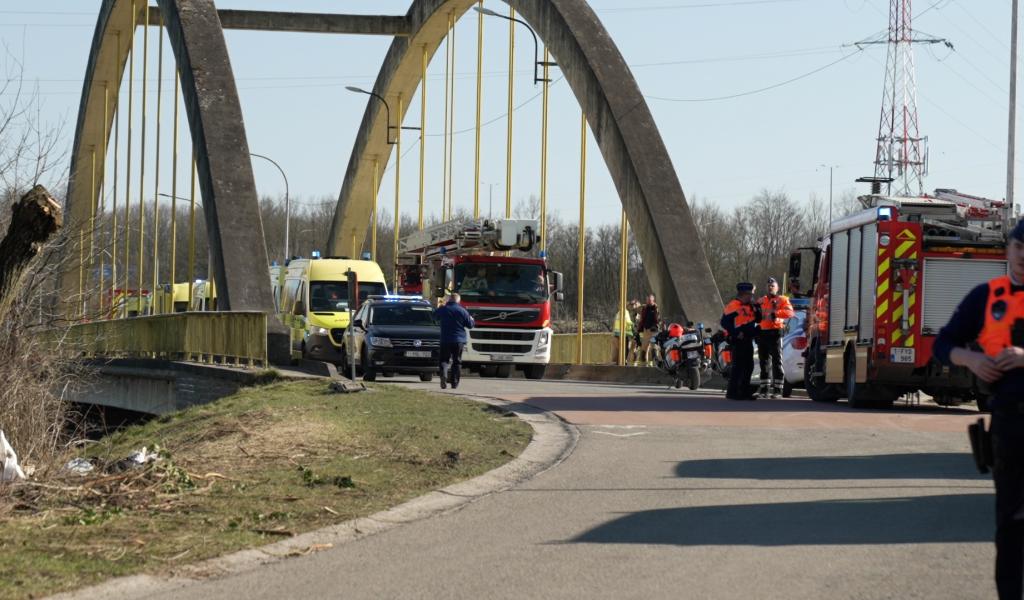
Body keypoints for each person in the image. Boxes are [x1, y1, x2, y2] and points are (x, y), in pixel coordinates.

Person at [933, 220, 1024, 599]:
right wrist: (969, 360)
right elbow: (944, 342)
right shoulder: (987, 297)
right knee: (1011, 524)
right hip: (1010, 425)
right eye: (1019, 247)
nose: (1023, 257)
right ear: (1008, 248)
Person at [756, 276, 795, 398]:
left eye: (772, 286)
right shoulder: (760, 301)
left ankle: (778, 390)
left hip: (775, 332)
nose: (770, 288)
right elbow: (754, 313)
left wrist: (776, 313)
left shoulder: (782, 299)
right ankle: (764, 389)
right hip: (762, 333)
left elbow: (790, 312)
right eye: (768, 286)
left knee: (777, 361)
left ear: (777, 288)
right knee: (764, 362)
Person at [721, 282, 759, 400]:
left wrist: (757, 309)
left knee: (748, 366)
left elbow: (756, 319)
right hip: (739, 340)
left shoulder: (748, 306)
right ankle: (733, 392)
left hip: (748, 339)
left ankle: (744, 391)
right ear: (744, 294)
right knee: (738, 367)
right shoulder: (734, 305)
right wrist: (736, 333)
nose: (752, 297)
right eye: (750, 295)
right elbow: (724, 322)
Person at [434, 293, 475, 390]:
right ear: (458, 301)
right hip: (459, 340)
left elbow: (434, 317)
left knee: (444, 360)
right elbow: (470, 325)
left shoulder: (443, 309)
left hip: (445, 339)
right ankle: (454, 383)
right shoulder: (463, 311)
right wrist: (472, 319)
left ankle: (443, 374)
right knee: (457, 361)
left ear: (449, 300)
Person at [638, 294, 661, 367]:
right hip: (646, 330)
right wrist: (640, 329)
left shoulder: (656, 308)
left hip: (654, 332)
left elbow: (659, 319)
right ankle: (645, 366)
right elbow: (642, 319)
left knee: (653, 350)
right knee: (643, 350)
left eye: (650, 300)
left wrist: (657, 326)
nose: (648, 301)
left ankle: (654, 366)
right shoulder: (645, 308)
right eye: (647, 300)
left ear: (653, 300)